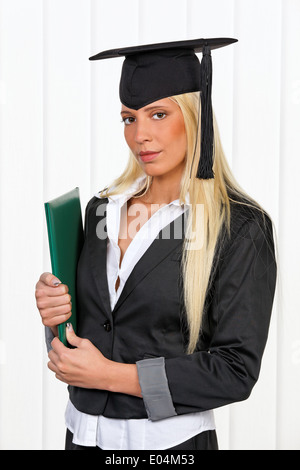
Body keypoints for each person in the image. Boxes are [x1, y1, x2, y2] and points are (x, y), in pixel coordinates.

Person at [35, 38, 277, 451]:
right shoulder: (101, 211)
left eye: (158, 114)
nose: (140, 135)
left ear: (194, 116)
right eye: (129, 119)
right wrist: (55, 313)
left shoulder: (239, 226)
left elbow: (235, 370)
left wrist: (110, 375)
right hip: (80, 438)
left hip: (170, 448)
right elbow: (86, 339)